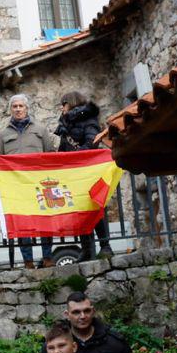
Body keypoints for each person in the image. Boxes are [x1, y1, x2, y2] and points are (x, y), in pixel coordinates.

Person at [0, 94, 55, 269]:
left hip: (39, 183)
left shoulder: (41, 130)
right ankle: (28, 261)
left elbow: (51, 154)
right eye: (15, 106)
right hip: (17, 187)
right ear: (10, 109)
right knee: (22, 223)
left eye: (21, 106)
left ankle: (47, 258)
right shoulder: (3, 134)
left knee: (45, 220)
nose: (18, 109)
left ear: (27, 108)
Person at [55, 91, 112, 260]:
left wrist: (77, 155)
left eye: (63, 104)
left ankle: (105, 247)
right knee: (80, 210)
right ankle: (87, 249)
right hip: (74, 173)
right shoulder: (66, 124)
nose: (61, 108)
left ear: (71, 103)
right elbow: (64, 148)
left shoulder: (88, 119)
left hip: (89, 171)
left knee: (95, 208)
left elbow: (92, 142)